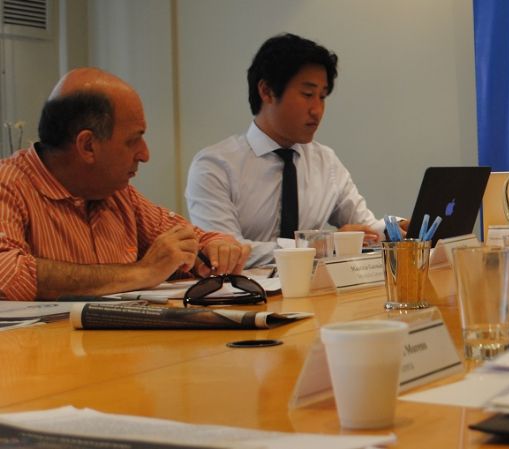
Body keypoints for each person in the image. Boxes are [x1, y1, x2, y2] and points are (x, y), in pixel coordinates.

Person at [0, 68, 249, 301]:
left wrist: (217, 248)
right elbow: (8, 274)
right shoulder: (8, 184)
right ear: (88, 146)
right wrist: (142, 272)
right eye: (133, 140)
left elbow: (195, 239)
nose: (145, 155)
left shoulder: (117, 194)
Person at [187, 33, 393, 268]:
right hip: (245, 290)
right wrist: (319, 246)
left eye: (322, 97)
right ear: (266, 91)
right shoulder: (215, 166)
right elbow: (226, 251)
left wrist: (396, 228)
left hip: (319, 288)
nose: (317, 110)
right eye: (308, 95)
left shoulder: (325, 161)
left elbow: (365, 227)